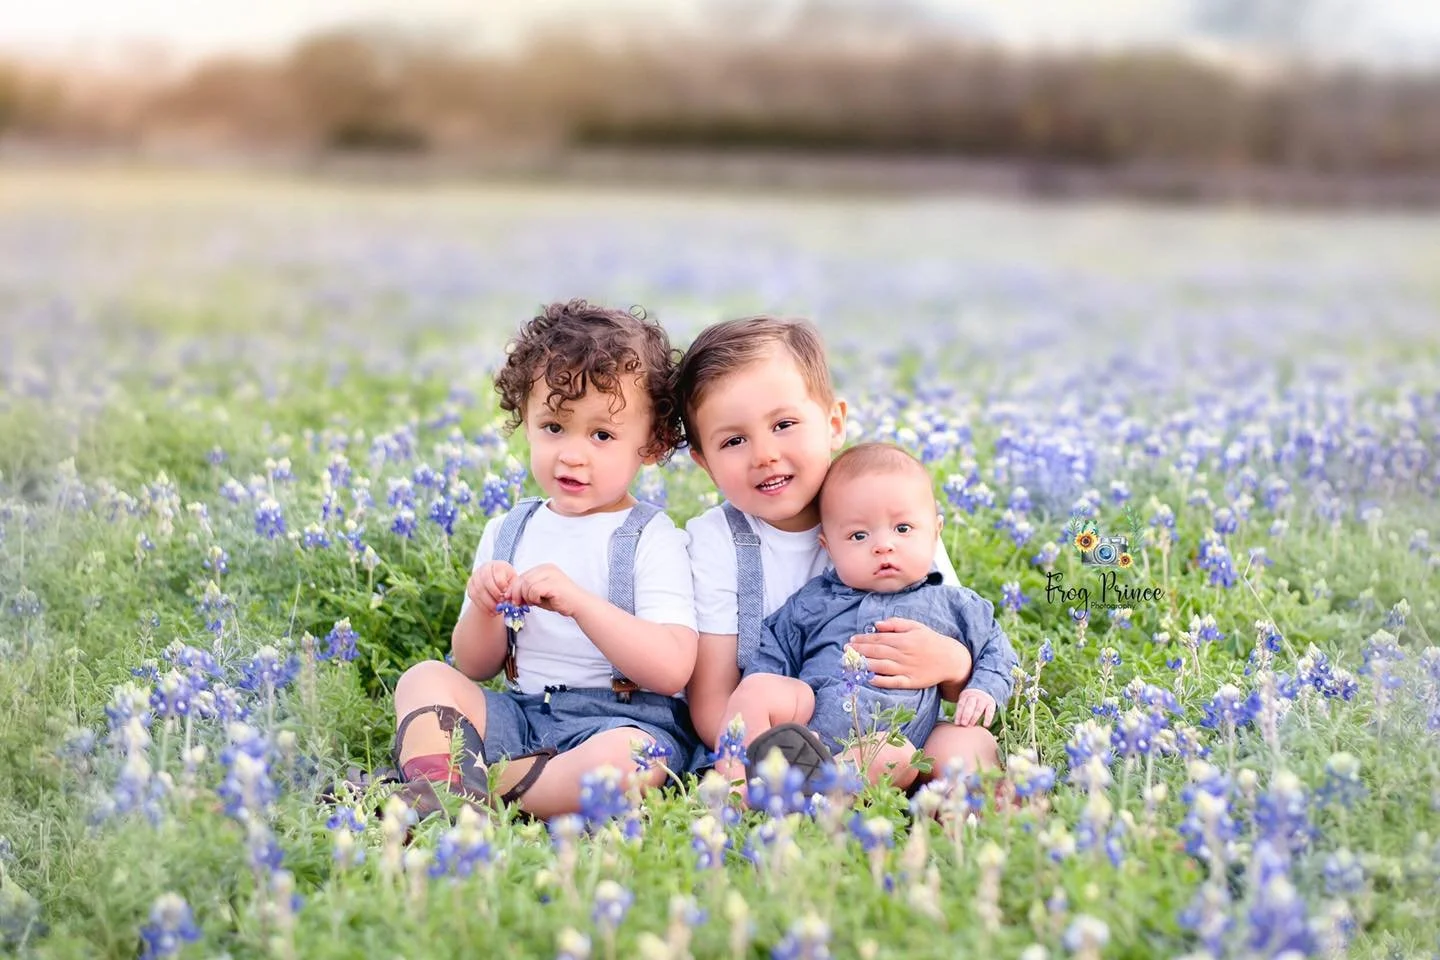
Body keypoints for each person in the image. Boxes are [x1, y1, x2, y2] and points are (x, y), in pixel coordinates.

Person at [387, 299, 699, 820]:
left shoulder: (651, 537)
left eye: (602, 435)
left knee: (633, 763)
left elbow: (670, 669)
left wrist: (581, 604)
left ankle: (459, 792)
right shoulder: (509, 530)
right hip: (521, 714)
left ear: (652, 442)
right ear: (524, 421)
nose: (572, 454)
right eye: (554, 427)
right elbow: (474, 665)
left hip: (617, 723)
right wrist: (483, 607)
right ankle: (456, 784)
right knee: (424, 678)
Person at [677, 315, 1001, 781]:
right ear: (704, 463)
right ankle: (768, 789)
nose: (764, 453)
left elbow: (958, 630)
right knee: (764, 690)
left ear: (833, 424)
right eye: (734, 440)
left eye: (784, 423)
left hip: (903, 736)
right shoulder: (717, 541)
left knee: (967, 745)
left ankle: (946, 813)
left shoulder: (891, 505)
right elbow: (713, 701)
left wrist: (954, 664)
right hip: (785, 736)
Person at [714, 443, 1018, 789]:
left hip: (903, 744)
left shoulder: (956, 604)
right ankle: (735, 788)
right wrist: (773, 703)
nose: (883, 545)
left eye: (903, 529)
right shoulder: (814, 601)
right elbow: (773, 651)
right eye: (859, 535)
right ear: (828, 547)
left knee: (961, 744)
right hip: (813, 730)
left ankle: (959, 814)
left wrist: (983, 689)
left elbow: (997, 649)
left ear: (936, 532)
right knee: (758, 688)